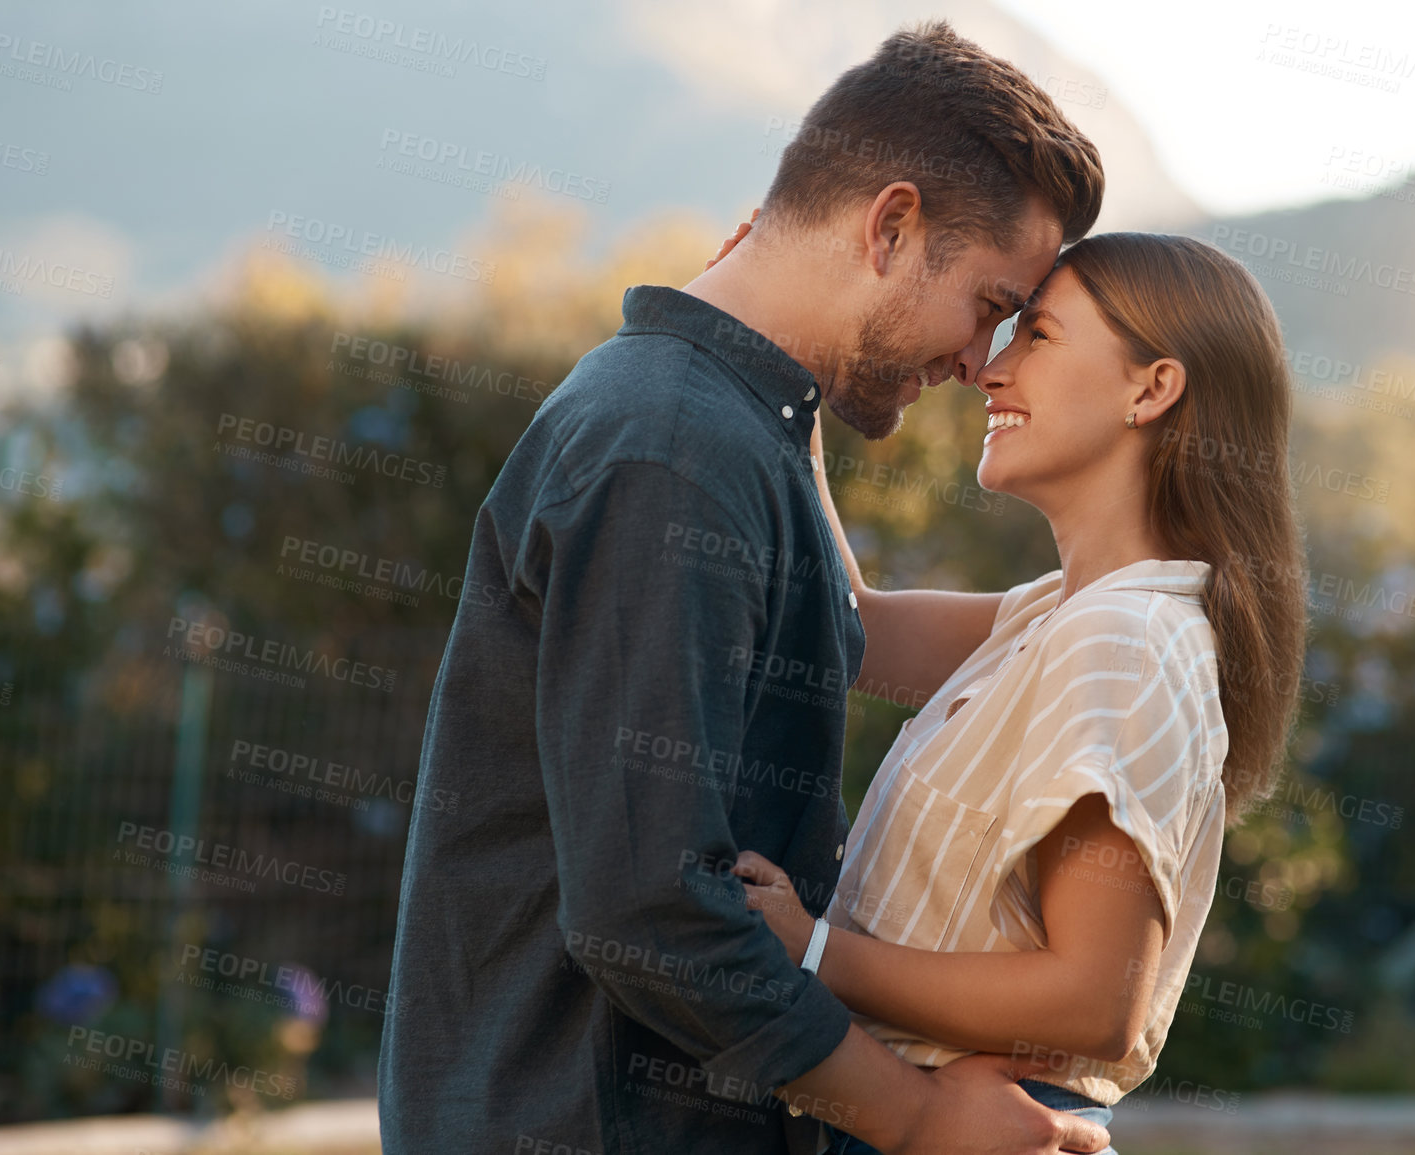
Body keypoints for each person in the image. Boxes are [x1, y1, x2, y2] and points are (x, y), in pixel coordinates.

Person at [378, 20, 1117, 1155]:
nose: (982, 362)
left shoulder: (733, 426)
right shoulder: (672, 450)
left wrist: (1150, 602)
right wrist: (919, 1122)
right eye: (987, 303)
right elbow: (650, 914)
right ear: (892, 225)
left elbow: (860, 633)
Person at [731, 232, 1308, 1154]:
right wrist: (781, 361)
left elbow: (1093, 998)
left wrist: (812, 950)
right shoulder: (1065, 612)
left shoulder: (1124, 640)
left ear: (1151, 388)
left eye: (1037, 335)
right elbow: (848, 627)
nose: (989, 371)